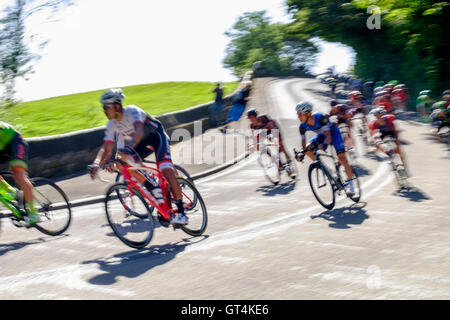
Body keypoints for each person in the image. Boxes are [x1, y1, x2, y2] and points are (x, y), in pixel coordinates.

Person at [88, 88, 188, 225]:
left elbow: (139, 132)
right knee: (125, 165)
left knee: (165, 169)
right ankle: (153, 187)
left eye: (106, 107)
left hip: (155, 136)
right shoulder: (112, 124)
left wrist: (128, 149)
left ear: (117, 106)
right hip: (140, 144)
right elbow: (106, 149)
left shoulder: (132, 111)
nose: (104, 110)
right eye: (103, 107)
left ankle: (182, 213)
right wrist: (96, 164)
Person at [294, 101, 356, 196]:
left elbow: (329, 136)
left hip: (333, 134)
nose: (298, 117)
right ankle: (327, 169)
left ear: (308, 113)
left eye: (300, 114)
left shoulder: (320, 117)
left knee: (342, 158)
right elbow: (303, 145)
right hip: (322, 135)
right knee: (307, 149)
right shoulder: (302, 126)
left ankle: (351, 187)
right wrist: (302, 153)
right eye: (297, 114)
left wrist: (323, 145)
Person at [0, 121, 40, 225]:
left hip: (15, 142)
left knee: (19, 175)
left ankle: (34, 213)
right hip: (4, 146)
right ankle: (12, 192)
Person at [246, 108, 293, 175]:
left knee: (281, 145)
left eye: (252, 117)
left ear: (256, 116)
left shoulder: (264, 118)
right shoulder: (252, 126)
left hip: (274, 129)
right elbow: (254, 137)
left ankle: (289, 161)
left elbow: (273, 127)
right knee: (263, 148)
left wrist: (273, 139)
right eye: (249, 118)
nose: (251, 120)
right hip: (265, 132)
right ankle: (277, 163)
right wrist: (254, 144)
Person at [368, 107, 410, 176]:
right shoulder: (373, 124)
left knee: (399, 150)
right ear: (375, 117)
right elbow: (375, 136)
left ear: (383, 115)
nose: (379, 118)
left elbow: (395, 130)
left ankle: (405, 167)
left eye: (380, 116)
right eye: (377, 116)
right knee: (378, 144)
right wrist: (377, 144)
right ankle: (389, 154)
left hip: (391, 132)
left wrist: (397, 139)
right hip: (381, 134)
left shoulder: (389, 119)